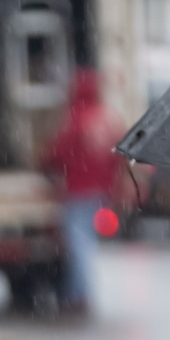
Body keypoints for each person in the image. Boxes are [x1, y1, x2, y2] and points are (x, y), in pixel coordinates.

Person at [41, 69, 126, 314]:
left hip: (77, 191)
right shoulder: (108, 120)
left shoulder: (75, 119)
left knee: (78, 244)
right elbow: (120, 157)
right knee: (85, 243)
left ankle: (79, 293)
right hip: (101, 192)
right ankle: (77, 291)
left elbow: (57, 153)